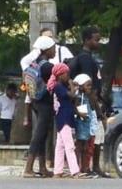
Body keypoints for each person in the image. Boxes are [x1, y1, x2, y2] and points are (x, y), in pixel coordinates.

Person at [69, 26, 110, 178]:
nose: (98, 43)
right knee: (87, 134)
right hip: (88, 103)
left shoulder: (88, 57)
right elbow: (88, 86)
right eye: (96, 40)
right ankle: (87, 167)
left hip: (91, 102)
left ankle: (93, 166)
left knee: (94, 134)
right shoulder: (85, 58)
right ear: (87, 40)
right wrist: (98, 110)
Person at [22, 36, 56, 178]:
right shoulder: (47, 66)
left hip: (36, 101)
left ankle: (42, 168)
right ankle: (28, 168)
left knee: (42, 135)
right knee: (39, 134)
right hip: (44, 104)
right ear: (46, 50)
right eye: (53, 48)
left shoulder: (34, 64)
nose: (54, 50)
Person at [47, 63, 85, 179]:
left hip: (65, 117)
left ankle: (58, 171)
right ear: (59, 75)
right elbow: (72, 96)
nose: (68, 75)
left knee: (60, 145)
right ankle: (75, 171)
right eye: (66, 73)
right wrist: (71, 84)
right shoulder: (58, 86)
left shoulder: (61, 86)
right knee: (69, 145)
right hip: (64, 119)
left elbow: (71, 101)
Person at [74, 74, 98, 178]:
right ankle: (77, 167)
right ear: (80, 86)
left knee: (86, 147)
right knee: (79, 147)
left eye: (90, 85)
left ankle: (85, 168)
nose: (90, 87)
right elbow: (77, 110)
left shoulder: (88, 97)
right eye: (87, 85)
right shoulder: (79, 98)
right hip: (80, 125)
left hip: (86, 126)